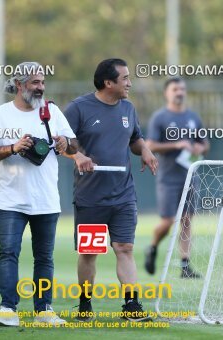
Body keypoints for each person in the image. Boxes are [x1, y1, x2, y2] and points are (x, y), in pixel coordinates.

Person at [0, 62, 78, 327]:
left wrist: (64, 143)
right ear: (21, 84)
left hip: (46, 198)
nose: (41, 87)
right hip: (11, 199)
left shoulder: (52, 111)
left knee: (44, 257)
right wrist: (13, 147)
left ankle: (44, 310)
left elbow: (74, 143)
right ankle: (7, 309)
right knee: (8, 252)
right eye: (35, 82)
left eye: (43, 82)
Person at [64, 58, 158, 322]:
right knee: (89, 252)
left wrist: (146, 150)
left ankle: (131, 306)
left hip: (124, 195)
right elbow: (60, 143)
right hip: (91, 198)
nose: (130, 83)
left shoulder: (128, 108)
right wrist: (78, 157)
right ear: (108, 82)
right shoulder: (78, 108)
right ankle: (85, 306)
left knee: (125, 247)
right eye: (125, 78)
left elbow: (135, 139)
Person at [144, 77, 209, 278]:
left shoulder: (193, 117)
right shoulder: (160, 117)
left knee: (187, 220)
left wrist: (200, 147)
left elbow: (204, 143)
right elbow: (150, 145)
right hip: (168, 177)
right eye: (175, 89)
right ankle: (153, 246)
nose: (179, 92)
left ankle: (185, 265)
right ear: (167, 93)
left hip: (190, 176)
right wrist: (176, 144)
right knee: (168, 221)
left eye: (182, 89)